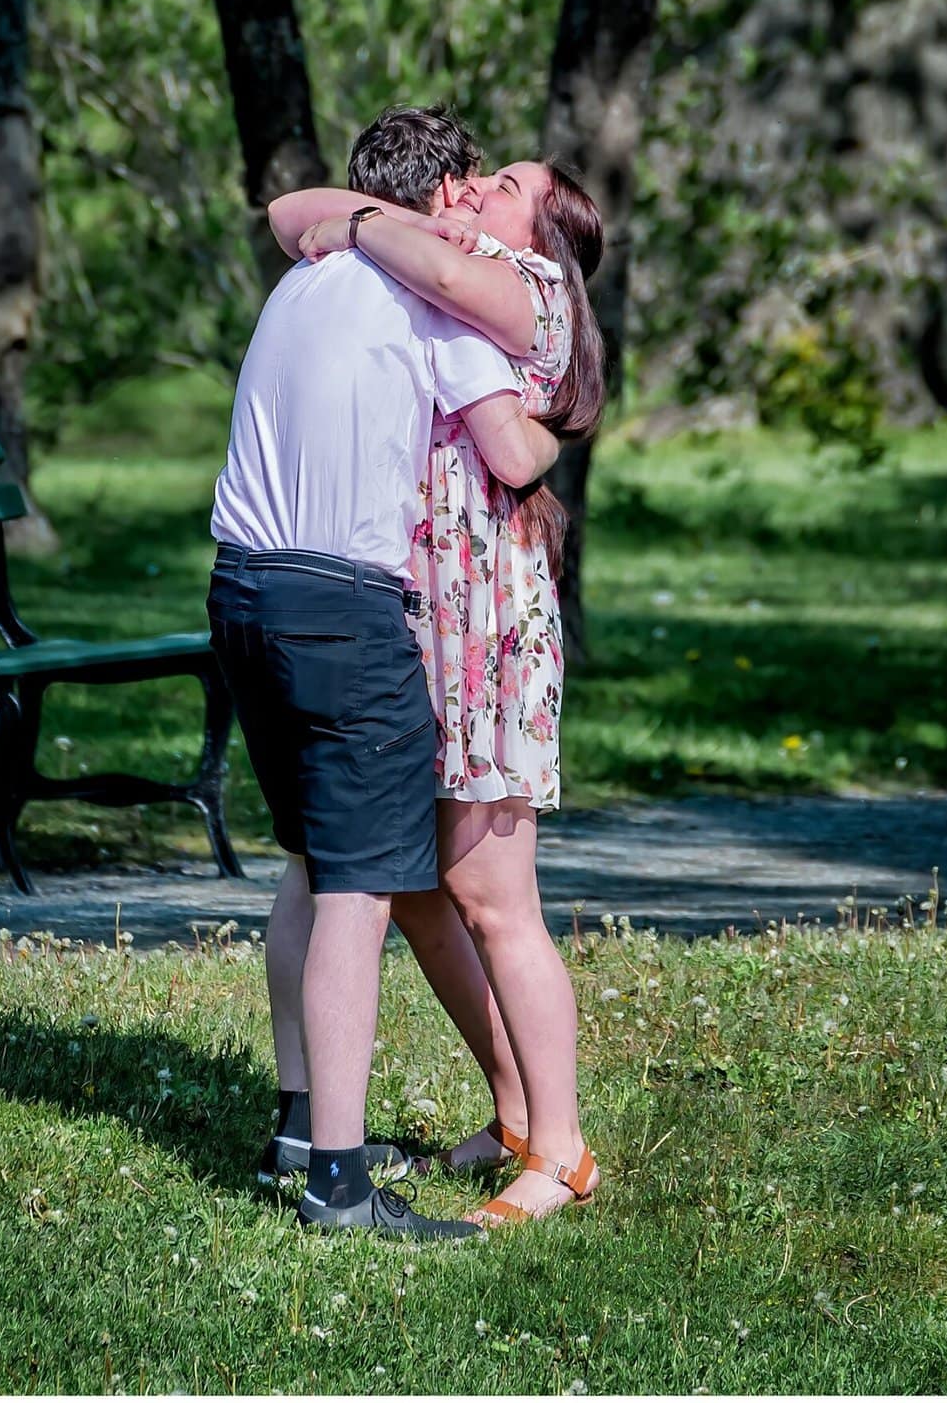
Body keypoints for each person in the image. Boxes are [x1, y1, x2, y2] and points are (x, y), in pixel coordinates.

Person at [208, 106, 560, 1239]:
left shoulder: (305, 278)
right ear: (447, 194)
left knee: (311, 867)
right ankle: (339, 1183)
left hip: (240, 591)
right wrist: (563, 432)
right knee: (360, 894)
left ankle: (296, 1125)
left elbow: (293, 214)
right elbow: (510, 450)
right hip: (344, 610)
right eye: (476, 185)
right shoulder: (433, 292)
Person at [269, 147, 607, 1223]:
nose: (476, 196)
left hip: (488, 624)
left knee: (498, 901)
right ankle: (512, 1110)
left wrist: (368, 225)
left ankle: (559, 1153)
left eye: (506, 188)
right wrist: (376, 217)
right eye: (473, 182)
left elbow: (514, 453)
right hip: (422, 613)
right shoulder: (440, 279)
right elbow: (285, 212)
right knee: (413, 888)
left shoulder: (534, 291)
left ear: (545, 235)